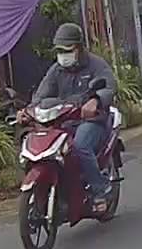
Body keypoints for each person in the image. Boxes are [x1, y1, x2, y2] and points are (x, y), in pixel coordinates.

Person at [25, 23, 117, 211]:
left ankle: (100, 190)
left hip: (92, 121)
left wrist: (96, 100)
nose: (63, 55)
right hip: (63, 122)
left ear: (79, 48)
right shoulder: (56, 70)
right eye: (59, 51)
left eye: (67, 50)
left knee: (80, 145)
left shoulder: (96, 65)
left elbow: (109, 86)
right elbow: (41, 95)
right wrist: (28, 110)